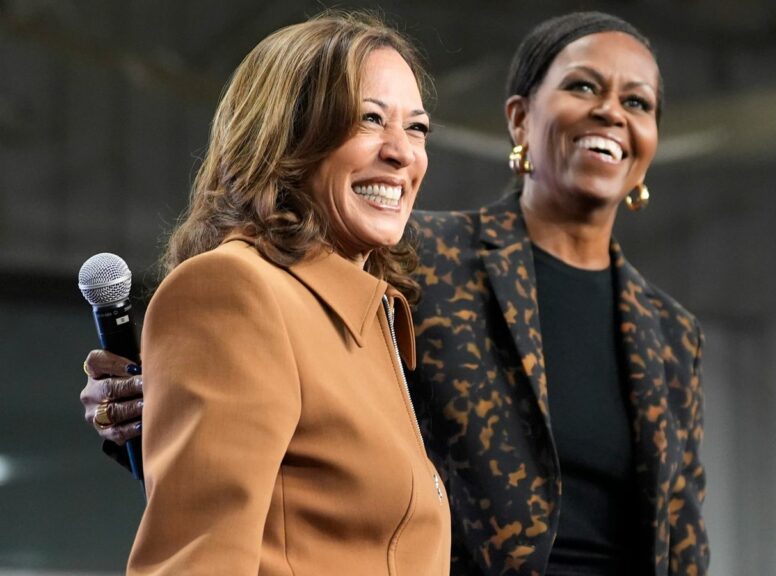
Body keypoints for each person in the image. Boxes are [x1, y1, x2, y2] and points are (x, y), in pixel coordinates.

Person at [82, 11, 708, 576]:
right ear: (519, 117)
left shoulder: (671, 333)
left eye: (639, 101)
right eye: (582, 86)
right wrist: (150, 397)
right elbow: (235, 354)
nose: (612, 112)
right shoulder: (412, 261)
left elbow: (679, 536)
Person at [92, 11, 451, 574]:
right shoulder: (233, 289)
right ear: (287, 137)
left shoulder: (365, 315)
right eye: (368, 119)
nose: (402, 152)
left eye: (417, 127)